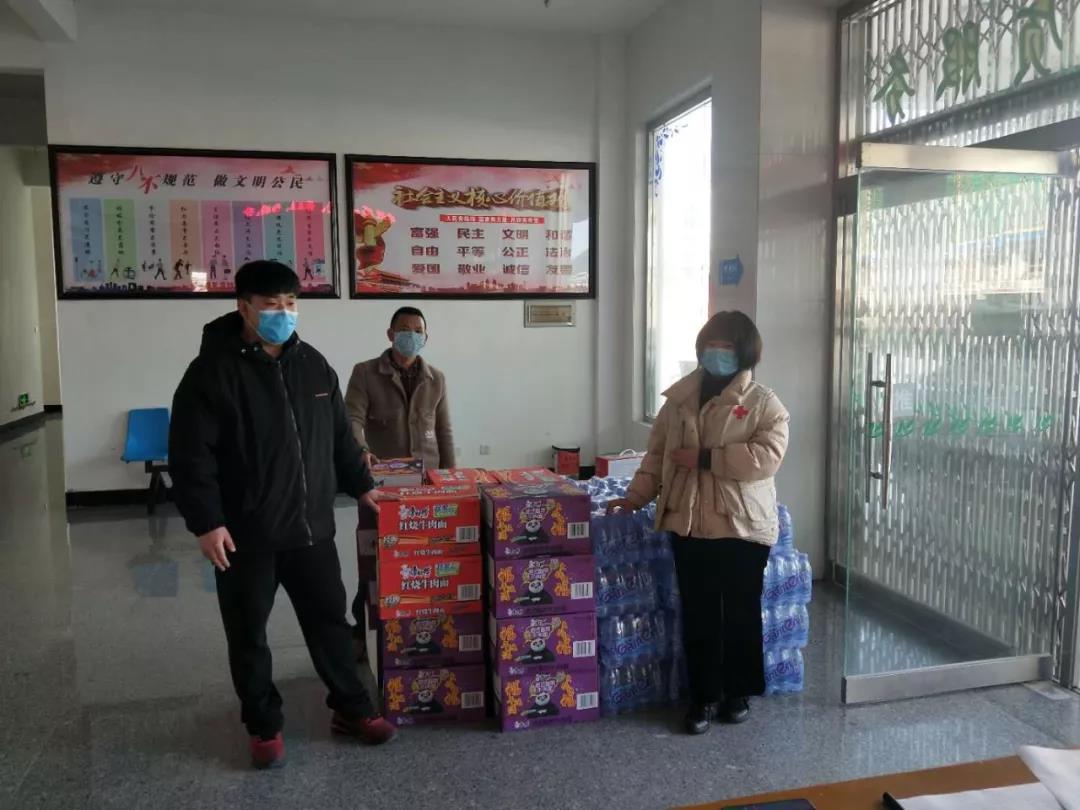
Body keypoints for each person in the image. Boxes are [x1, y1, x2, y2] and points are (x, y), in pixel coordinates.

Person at [169, 260, 397, 770]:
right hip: (245, 535)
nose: (283, 313)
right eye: (271, 305)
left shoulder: (313, 365)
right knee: (249, 633)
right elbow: (190, 455)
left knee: (330, 624)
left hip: (311, 528)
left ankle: (352, 708)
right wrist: (206, 522)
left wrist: (362, 486)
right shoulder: (211, 372)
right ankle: (263, 724)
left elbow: (339, 438)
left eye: (291, 303)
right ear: (244, 307)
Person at [608, 311, 789, 736]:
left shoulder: (764, 403)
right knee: (700, 613)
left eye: (727, 345)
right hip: (688, 522)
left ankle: (738, 693)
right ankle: (703, 697)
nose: (717, 352)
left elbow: (766, 459)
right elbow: (656, 455)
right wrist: (635, 497)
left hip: (742, 526)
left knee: (740, 612)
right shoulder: (679, 400)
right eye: (711, 344)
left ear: (745, 352)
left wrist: (707, 459)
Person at [344, 306, 455, 658]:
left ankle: (413, 632)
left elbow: (444, 431)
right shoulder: (365, 373)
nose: (411, 335)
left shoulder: (436, 378)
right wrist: (361, 450)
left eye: (417, 330)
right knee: (374, 560)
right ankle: (361, 631)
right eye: (404, 329)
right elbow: (351, 418)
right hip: (380, 486)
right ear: (390, 334)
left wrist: (450, 478)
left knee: (420, 559)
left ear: (426, 337)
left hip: (424, 485)